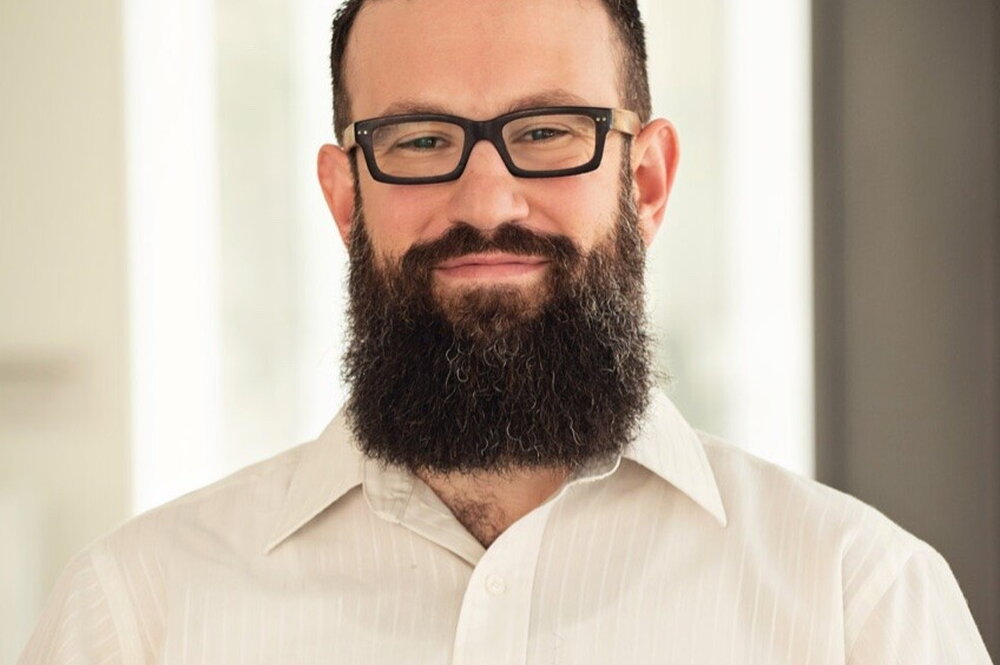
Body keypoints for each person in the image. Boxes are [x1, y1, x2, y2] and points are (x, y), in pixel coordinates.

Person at [19, 0, 993, 662]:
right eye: (417, 140)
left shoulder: (861, 606)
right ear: (344, 197)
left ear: (645, 181)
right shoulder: (137, 614)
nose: (486, 198)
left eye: (547, 129)